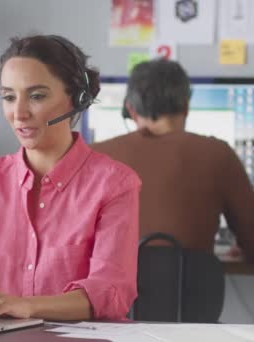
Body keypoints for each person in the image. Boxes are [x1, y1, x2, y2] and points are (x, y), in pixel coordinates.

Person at [0, 35, 142, 322]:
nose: (18, 113)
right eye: (9, 97)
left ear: (76, 98)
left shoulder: (114, 184)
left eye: (36, 96)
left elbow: (111, 292)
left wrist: (26, 306)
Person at [91, 59, 254, 262]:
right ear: (186, 106)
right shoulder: (219, 153)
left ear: (130, 110)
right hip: (191, 291)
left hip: (112, 293)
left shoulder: (94, 158)